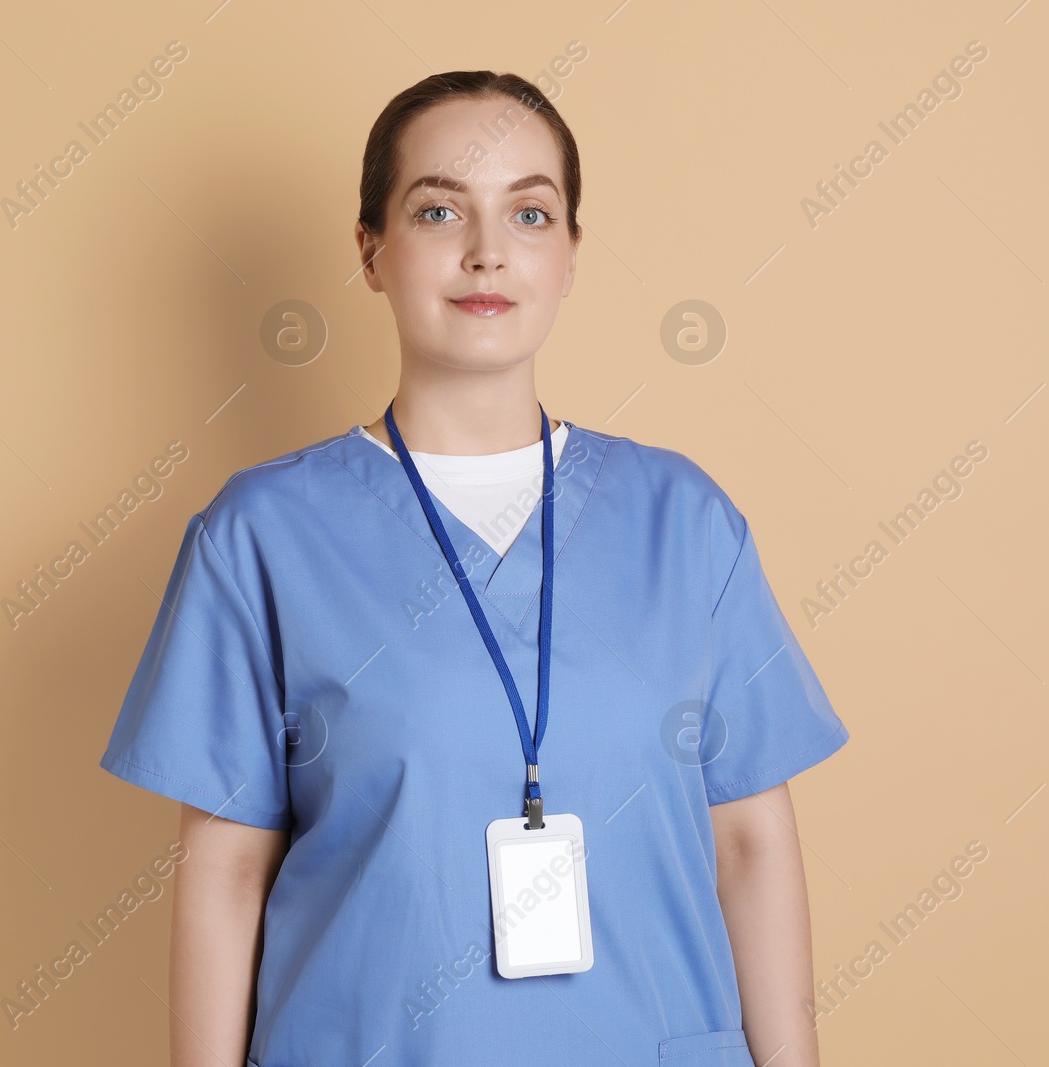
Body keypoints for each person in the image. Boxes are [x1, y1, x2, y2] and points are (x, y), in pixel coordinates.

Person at [99, 70, 850, 1067]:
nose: (487, 251)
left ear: (571, 254)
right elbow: (226, 869)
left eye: (530, 212)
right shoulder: (263, 536)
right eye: (440, 208)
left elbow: (750, 844)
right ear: (370, 250)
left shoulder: (684, 520)